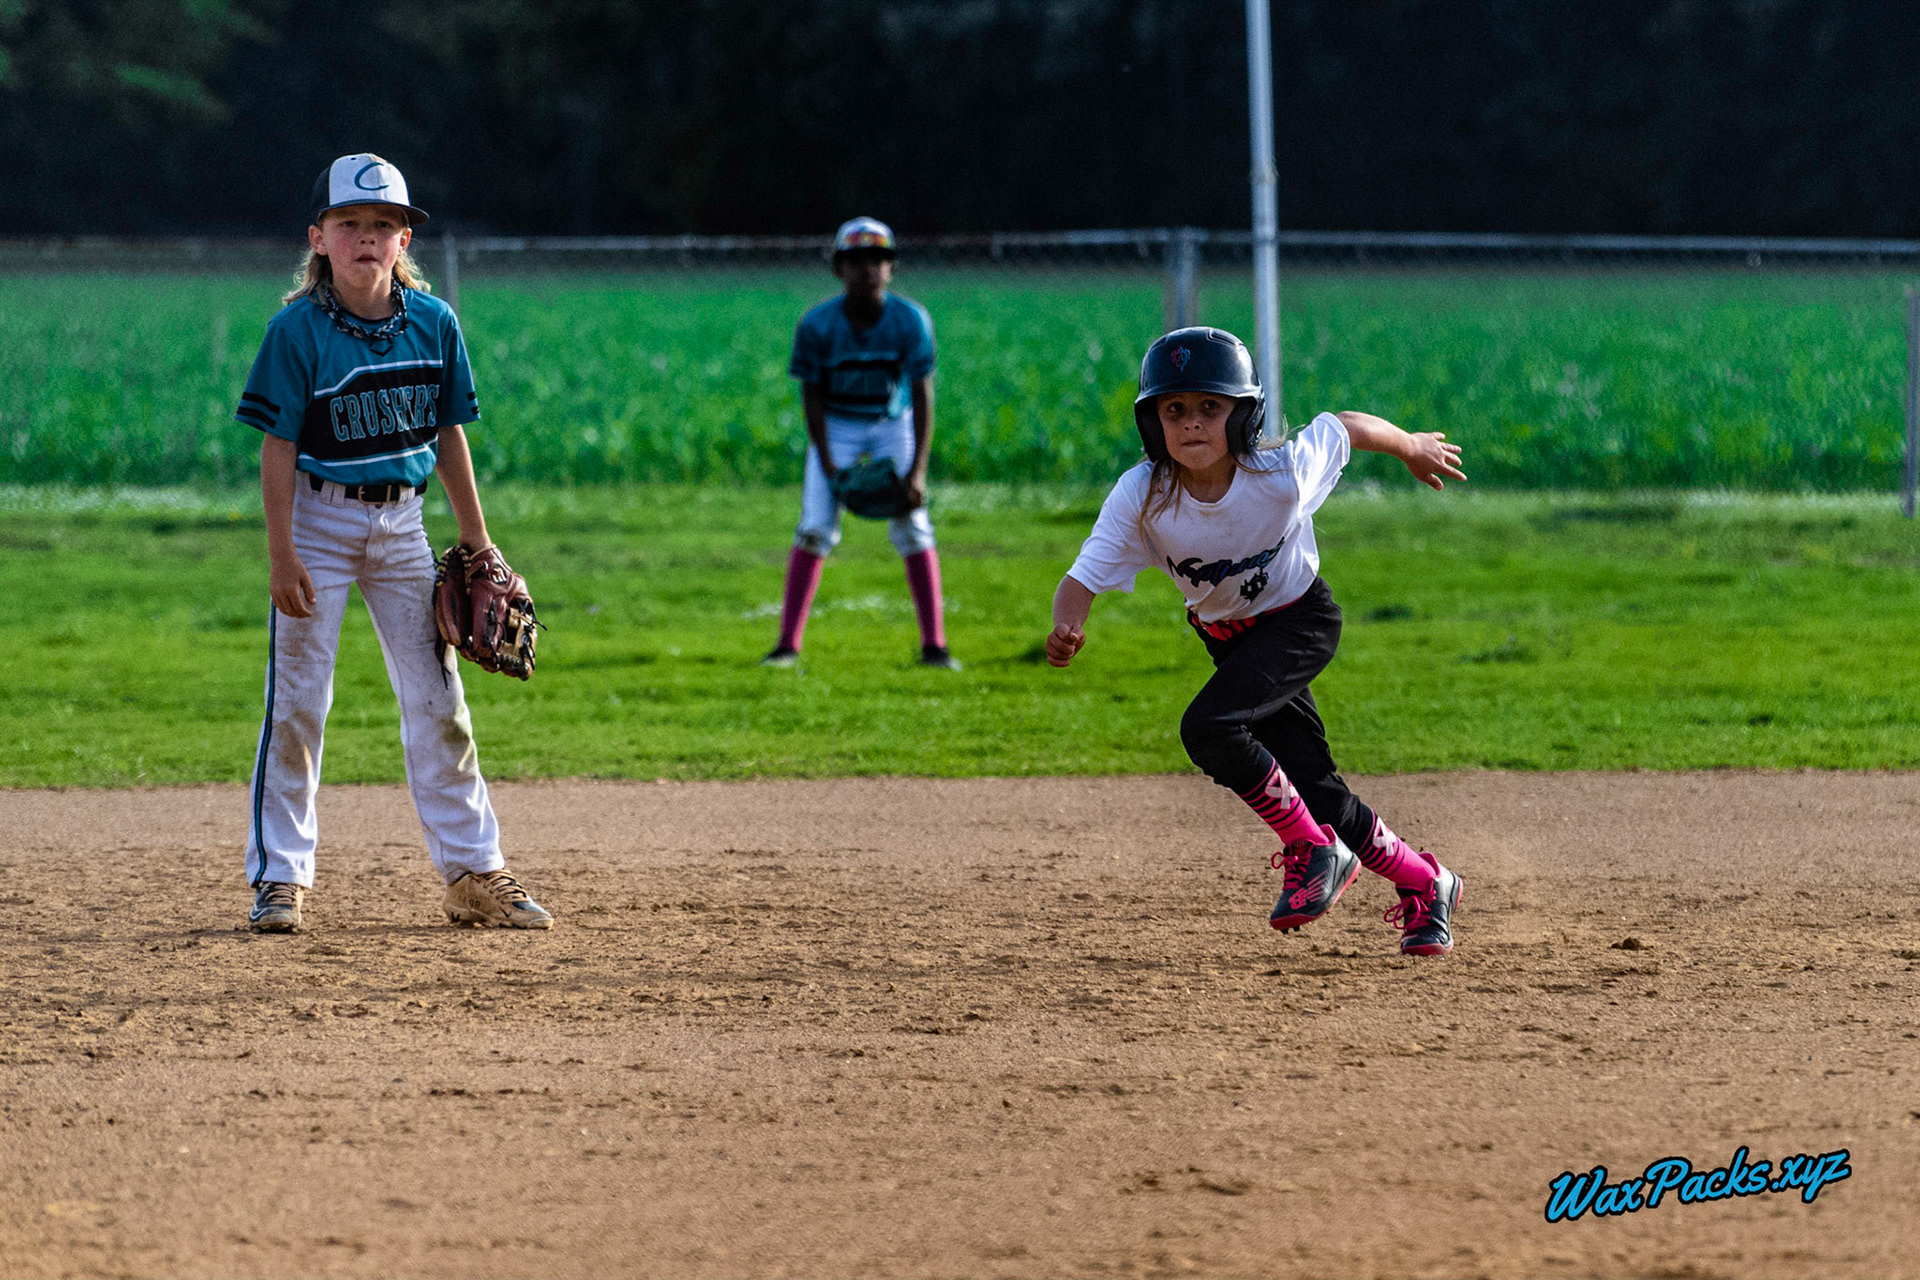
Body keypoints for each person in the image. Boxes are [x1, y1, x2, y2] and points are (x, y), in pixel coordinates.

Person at [1044, 327, 1465, 955]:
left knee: (1208, 728)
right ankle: (1429, 884)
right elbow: (1083, 576)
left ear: (1243, 414)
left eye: (1211, 407)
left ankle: (1313, 850)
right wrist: (1066, 624)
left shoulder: (1279, 474)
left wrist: (1409, 447)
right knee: (1318, 792)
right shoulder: (1144, 495)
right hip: (1228, 639)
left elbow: (1342, 425)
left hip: (1299, 621)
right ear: (1151, 422)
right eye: (1174, 409)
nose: (1191, 424)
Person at [232, 153, 552, 933]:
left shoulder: (435, 325)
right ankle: (281, 879)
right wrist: (282, 554)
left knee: (440, 701)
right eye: (351, 224)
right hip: (319, 521)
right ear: (320, 238)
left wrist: (476, 537)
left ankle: (475, 872)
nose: (368, 238)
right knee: (299, 704)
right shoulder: (297, 331)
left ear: (404, 241)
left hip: (403, 525)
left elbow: (447, 435)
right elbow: (276, 448)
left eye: (385, 225)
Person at [763, 217, 956, 669]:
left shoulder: (910, 319)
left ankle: (935, 647)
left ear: (891, 267)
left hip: (892, 422)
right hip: (838, 424)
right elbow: (811, 396)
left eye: (877, 259)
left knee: (914, 524)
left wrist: (917, 472)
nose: (866, 268)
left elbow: (922, 394)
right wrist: (830, 467)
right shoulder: (817, 324)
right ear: (838, 269)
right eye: (854, 260)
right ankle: (787, 646)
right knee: (814, 528)